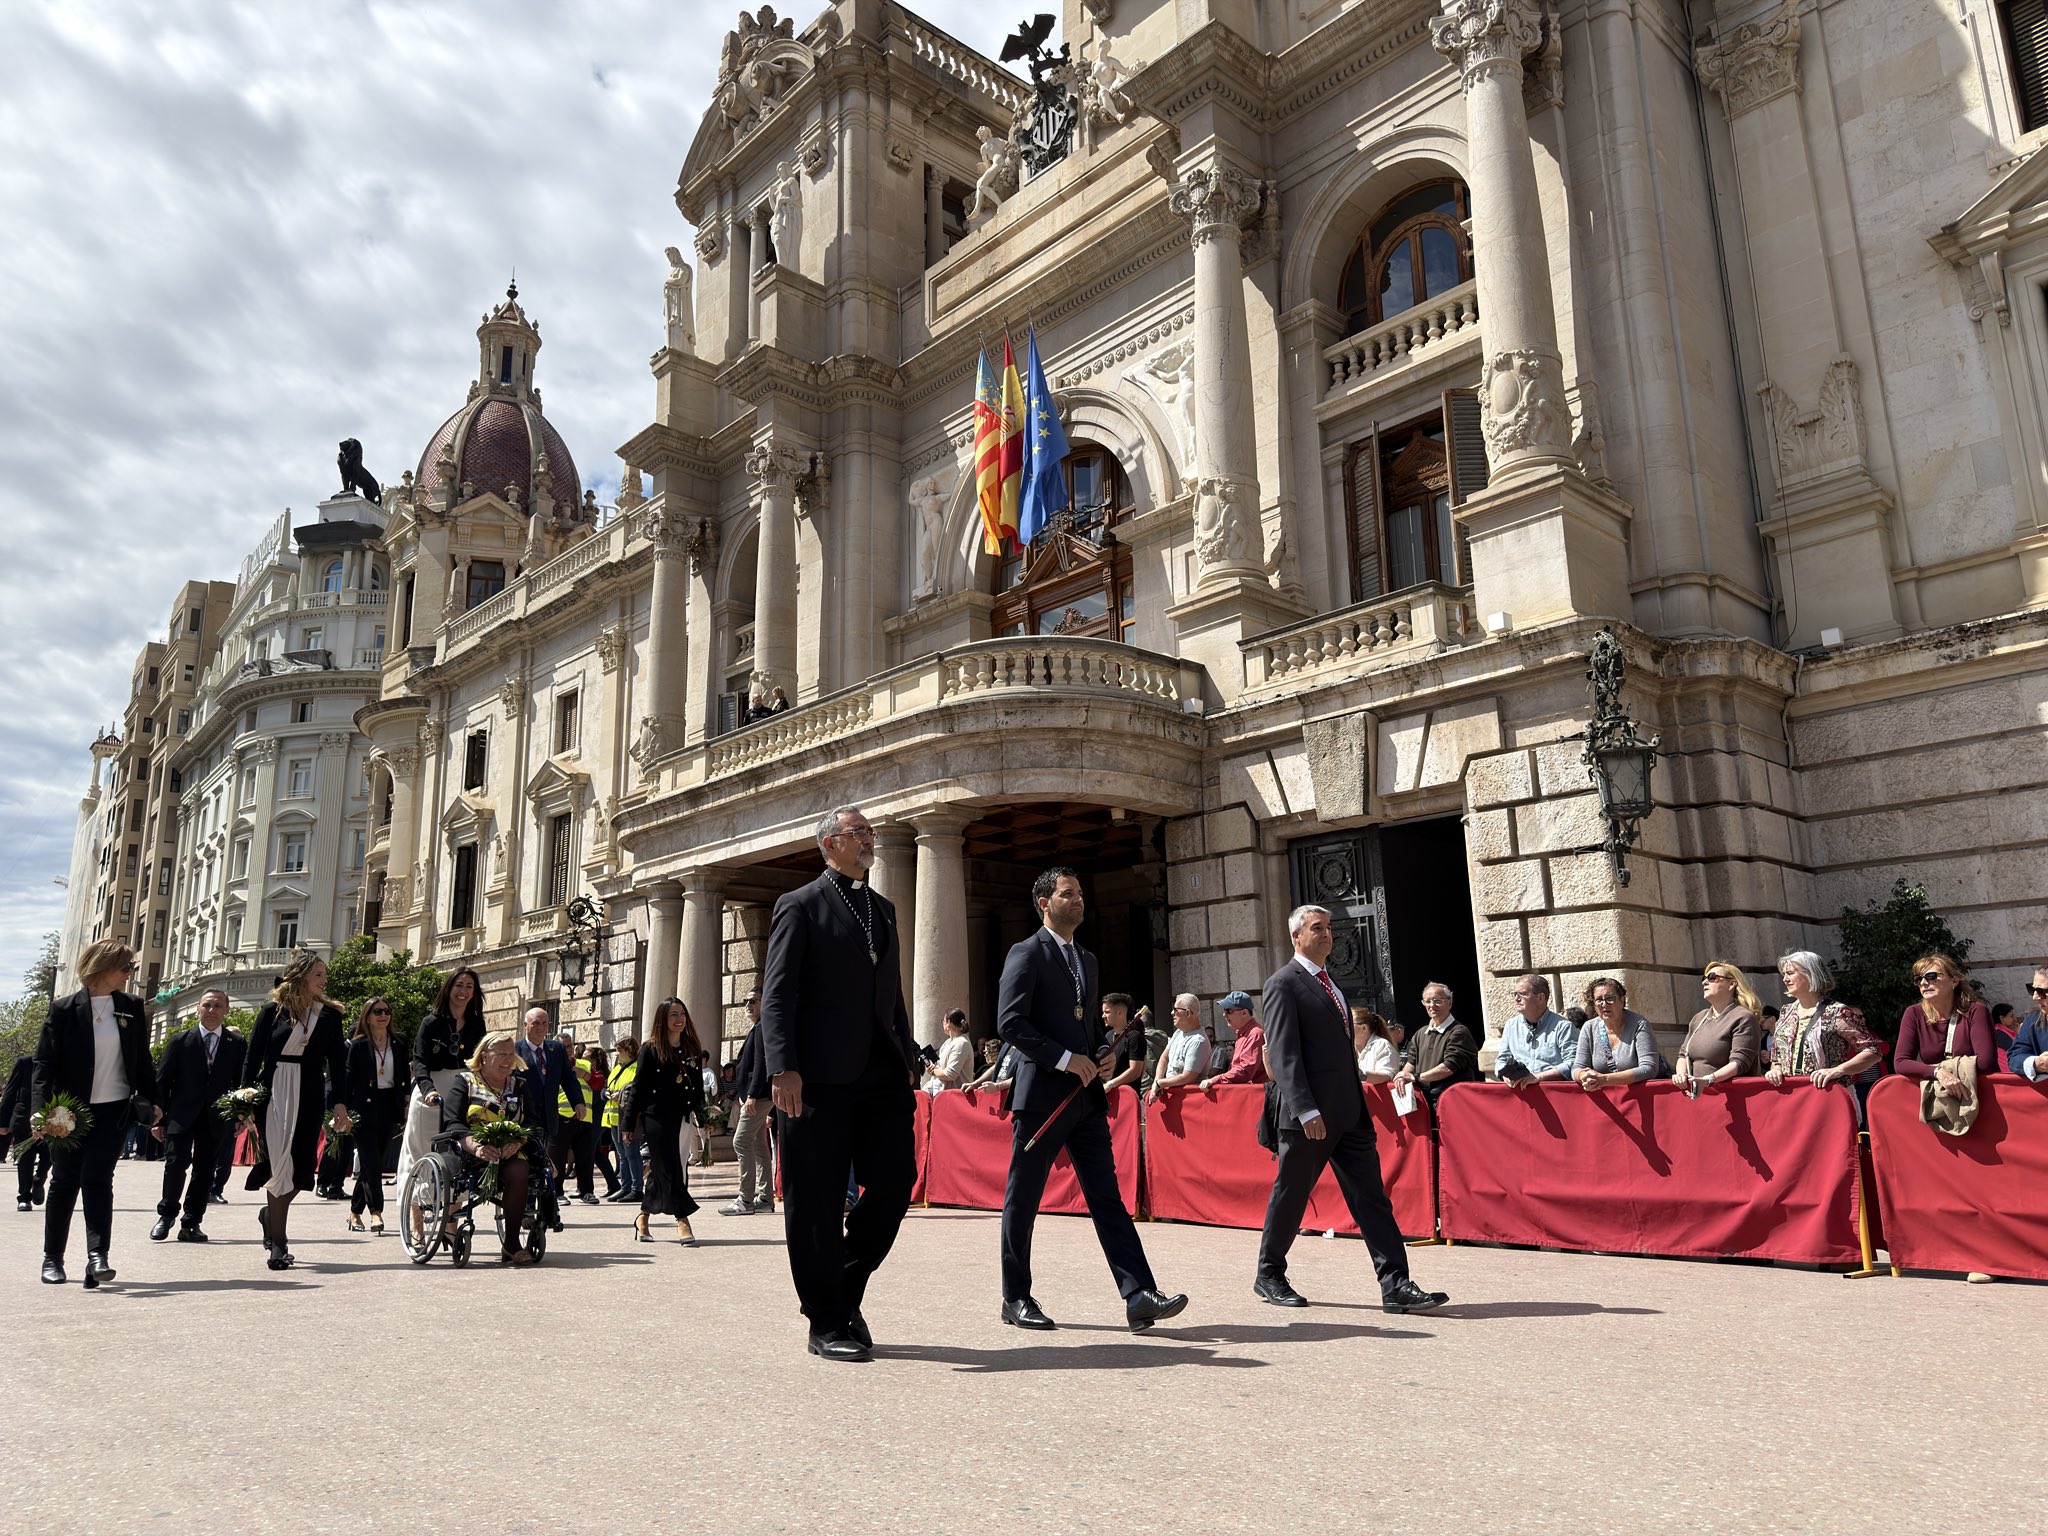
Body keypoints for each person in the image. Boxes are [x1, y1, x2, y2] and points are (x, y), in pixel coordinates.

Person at [760, 805, 921, 1362]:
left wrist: (905, 1053)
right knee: (816, 1200)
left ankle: (844, 1286)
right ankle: (825, 1320)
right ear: (830, 843)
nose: (869, 840)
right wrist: (782, 1067)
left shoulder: (884, 908)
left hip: (880, 1073)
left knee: (897, 1182)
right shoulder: (799, 904)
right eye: (858, 833)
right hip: (815, 1078)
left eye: (870, 832)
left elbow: (892, 993)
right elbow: (778, 993)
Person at [995, 866, 1186, 1333]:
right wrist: (1065, 1060)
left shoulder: (1088, 960)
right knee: (1024, 1199)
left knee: (1106, 1197)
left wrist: (1102, 1052)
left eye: (1080, 892)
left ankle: (1138, 1295)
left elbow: (1085, 1026)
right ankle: (1015, 1297)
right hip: (1041, 1099)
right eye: (1068, 893)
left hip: (1085, 1099)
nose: (1078, 899)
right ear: (1044, 903)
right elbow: (1011, 1023)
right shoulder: (1026, 953)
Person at [1254, 905, 1448, 1314]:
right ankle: (1269, 1273)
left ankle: (1395, 1285)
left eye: (1329, 927)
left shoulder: (1332, 985)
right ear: (1296, 937)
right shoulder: (1283, 983)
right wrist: (1305, 1109)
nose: (1326, 934)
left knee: (1371, 1197)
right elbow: (1284, 1053)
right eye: (1317, 928)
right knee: (1291, 1195)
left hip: (1349, 1113)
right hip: (1309, 1117)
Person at [32, 939, 162, 1286]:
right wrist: (40, 1111)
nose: (130, 974)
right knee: (64, 1182)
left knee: (99, 1180)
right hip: (67, 1110)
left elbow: (141, 1058)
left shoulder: (131, 1007)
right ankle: (52, 1258)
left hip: (114, 1110)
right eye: (125, 967)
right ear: (102, 968)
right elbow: (44, 1064)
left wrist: (154, 1098)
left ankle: (97, 1256)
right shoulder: (64, 1009)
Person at [242, 952, 351, 1271]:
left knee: (300, 1169)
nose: (324, 980)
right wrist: (244, 1098)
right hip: (274, 1091)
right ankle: (279, 1244)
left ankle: (270, 1215)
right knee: (278, 1165)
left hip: (310, 1092)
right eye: (319, 974)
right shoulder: (272, 1011)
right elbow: (252, 1057)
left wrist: (340, 1103)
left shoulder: (330, 1016)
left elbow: (337, 1065)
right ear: (301, 976)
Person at [439, 1029, 549, 1265]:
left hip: (511, 1150)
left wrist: (518, 1140)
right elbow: (453, 1122)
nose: (508, 1059)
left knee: (519, 1170)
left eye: (511, 1054)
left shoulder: (519, 1085)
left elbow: (532, 1121)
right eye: (502, 1054)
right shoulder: (465, 1082)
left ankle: (511, 1244)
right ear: (485, 1055)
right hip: (472, 1154)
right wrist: (474, 1145)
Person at [150, 987, 245, 1243]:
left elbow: (240, 1082)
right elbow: (162, 1082)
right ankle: (166, 1215)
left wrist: (239, 1116)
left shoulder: (236, 1043)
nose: (211, 1010)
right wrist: (158, 1119)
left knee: (205, 1170)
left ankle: (191, 1222)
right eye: (207, 1005)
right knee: (175, 1163)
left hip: (216, 1117)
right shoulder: (180, 1040)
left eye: (217, 1006)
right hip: (181, 1115)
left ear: (227, 1010)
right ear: (197, 1009)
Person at [395, 966, 486, 1227]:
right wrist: (428, 1090)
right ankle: (416, 1225)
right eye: (459, 985)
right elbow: (420, 1062)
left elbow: (480, 1060)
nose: (463, 991)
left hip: (462, 1090)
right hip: (431, 1091)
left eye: (469, 986)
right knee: (420, 1155)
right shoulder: (431, 1022)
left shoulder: (477, 1023)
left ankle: (450, 1225)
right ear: (448, 988)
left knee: (459, 1158)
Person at [623, 997, 707, 1246]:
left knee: (662, 1168)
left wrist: (703, 1117)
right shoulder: (650, 1049)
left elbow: (697, 1088)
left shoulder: (692, 1048)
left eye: (682, 1013)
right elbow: (638, 1088)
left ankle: (643, 1217)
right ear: (663, 1018)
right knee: (671, 1167)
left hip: (681, 1117)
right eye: (673, 1014)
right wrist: (628, 1123)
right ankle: (682, 1219)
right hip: (656, 1117)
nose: (680, 1019)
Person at [1767, 950, 1884, 1101]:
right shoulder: (1785, 1012)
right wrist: (1775, 1069)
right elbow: (1777, 1057)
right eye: (1784, 974)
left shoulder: (1837, 1012)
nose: (1785, 979)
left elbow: (1873, 1051)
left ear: (1810, 974)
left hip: (1829, 1097)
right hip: (1793, 1098)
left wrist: (1838, 1070)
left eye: (1790, 973)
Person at [1894, 952, 1997, 1101]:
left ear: (1954, 981)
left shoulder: (1976, 1011)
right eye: (1918, 979)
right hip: (1941, 1100)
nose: (1924, 983)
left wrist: (1941, 1070)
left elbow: (1985, 1063)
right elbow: (1901, 1063)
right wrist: (1937, 1072)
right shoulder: (1913, 1013)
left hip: (1981, 1096)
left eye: (1931, 976)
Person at [342, 997, 404, 1234]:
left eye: (387, 1011)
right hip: (364, 1107)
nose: (383, 1015)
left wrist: (406, 1104)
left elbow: (402, 1076)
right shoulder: (358, 1045)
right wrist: (343, 1110)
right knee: (372, 1162)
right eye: (377, 1011)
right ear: (367, 1017)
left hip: (389, 1105)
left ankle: (354, 1212)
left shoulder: (399, 1042)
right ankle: (376, 1211)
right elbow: (348, 1080)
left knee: (372, 1162)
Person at [517, 1009, 582, 1230]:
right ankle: (527, 1209)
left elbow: (568, 1078)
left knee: (546, 1165)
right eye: (536, 1023)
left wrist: (578, 1102)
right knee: (527, 1163)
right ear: (525, 1025)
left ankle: (547, 1211)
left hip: (549, 1118)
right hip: (524, 1118)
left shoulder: (555, 1049)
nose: (541, 1027)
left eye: (545, 1023)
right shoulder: (516, 1050)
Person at [724, 989, 775, 1215]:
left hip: (759, 1095)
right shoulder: (757, 1027)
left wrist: (752, 1095)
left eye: (752, 1000)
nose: (747, 1005)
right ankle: (765, 1198)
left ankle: (745, 1199)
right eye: (745, 1001)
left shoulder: (763, 1027)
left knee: (741, 1141)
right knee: (758, 1145)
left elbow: (761, 1063)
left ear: (764, 1002)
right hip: (756, 1095)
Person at [1674, 962, 1761, 1094]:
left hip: (1731, 1097)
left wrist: (1708, 1080)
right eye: (1704, 978)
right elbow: (1682, 1055)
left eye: (1712, 977)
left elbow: (1739, 1063)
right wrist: (1681, 1075)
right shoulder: (1698, 1018)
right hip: (1698, 1096)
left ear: (1731, 984)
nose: (1704, 982)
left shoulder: (1743, 1017)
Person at [1395, 982, 1479, 1108]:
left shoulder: (1459, 1032)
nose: (1432, 1005)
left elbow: (1449, 1067)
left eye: (1437, 1001)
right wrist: (1402, 1077)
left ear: (1449, 1002)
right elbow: (1411, 1062)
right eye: (1427, 1002)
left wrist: (1416, 1077)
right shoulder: (1420, 1033)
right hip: (1423, 1100)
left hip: (1451, 1101)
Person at [1571, 977, 1661, 1089]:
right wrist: (1583, 1076)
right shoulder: (1588, 1027)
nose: (1604, 1004)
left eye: (1610, 998)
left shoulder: (1639, 1024)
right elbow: (1577, 1067)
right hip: (1603, 1096)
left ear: (1622, 1000)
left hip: (1638, 1095)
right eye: (1599, 1000)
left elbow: (1649, 1068)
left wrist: (1605, 1080)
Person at [1493, 975, 1577, 1088]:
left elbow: (1573, 1063)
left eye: (1522, 994)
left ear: (1540, 998)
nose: (1516, 999)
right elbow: (1501, 1060)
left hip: (1551, 1092)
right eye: (1515, 994)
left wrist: (1539, 1077)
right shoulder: (1511, 1026)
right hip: (1520, 1092)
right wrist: (1505, 1075)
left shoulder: (1563, 1026)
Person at [554, 1038, 603, 1205]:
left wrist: (585, 1075)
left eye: (569, 1046)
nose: (566, 1049)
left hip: (584, 1118)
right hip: (561, 1116)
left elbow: (599, 1083)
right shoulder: (552, 1064)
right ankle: (557, 1193)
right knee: (558, 1158)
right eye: (562, 1047)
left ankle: (586, 1192)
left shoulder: (584, 1064)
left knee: (585, 1157)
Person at [4, 1053, 50, 1212]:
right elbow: (10, 1092)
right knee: (25, 1160)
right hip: (23, 1121)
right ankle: (24, 1197)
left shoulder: (60, 1063)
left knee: (49, 1157)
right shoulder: (25, 1063)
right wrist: (3, 1121)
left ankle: (38, 1181)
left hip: (52, 1121)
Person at [1147, 994, 1211, 1102]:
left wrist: (1160, 1083)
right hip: (1173, 1099)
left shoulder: (1199, 1041)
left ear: (1187, 1013)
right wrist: (1157, 1080)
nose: (1172, 1013)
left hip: (1190, 1101)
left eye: (1176, 1010)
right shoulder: (1178, 1032)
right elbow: (1164, 1058)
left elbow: (1188, 1077)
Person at [1200, 993, 1269, 1089]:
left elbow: (1245, 1071)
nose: (1224, 1014)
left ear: (1244, 1013)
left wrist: (1216, 1079)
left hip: (1258, 1094)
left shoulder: (1255, 1034)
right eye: (1224, 1011)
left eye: (1229, 1011)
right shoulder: (1244, 1033)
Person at [603, 1038, 643, 1202]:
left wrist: (619, 1095)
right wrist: (606, 1093)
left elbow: (636, 1090)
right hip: (613, 1118)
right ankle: (625, 1187)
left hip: (628, 1118)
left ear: (629, 1050)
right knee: (623, 1155)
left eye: (619, 1051)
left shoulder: (637, 1067)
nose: (617, 1054)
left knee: (632, 1154)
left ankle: (636, 1189)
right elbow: (607, 1086)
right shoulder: (617, 1068)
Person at [585, 1045, 620, 1197]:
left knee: (589, 1151)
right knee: (596, 1153)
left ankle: (587, 1188)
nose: (583, 1059)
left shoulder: (599, 1075)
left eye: (586, 1057)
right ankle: (613, 1184)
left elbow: (596, 1098)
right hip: (594, 1118)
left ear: (594, 1060)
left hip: (597, 1119)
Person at [1099, 993, 1147, 1093]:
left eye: (1107, 1012)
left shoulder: (1135, 1037)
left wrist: (1110, 1084)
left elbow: (1135, 1071)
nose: (1103, 1016)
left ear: (1120, 1013)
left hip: (1127, 1096)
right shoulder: (1108, 1035)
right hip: (1109, 1095)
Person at [2009, 965, 2048, 1080]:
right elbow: (2014, 1057)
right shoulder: (2032, 1019)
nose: (2035, 997)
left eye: (2041, 991)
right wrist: (2036, 1063)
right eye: (2032, 989)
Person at [927, 1009, 974, 1093]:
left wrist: (934, 1071)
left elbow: (950, 1075)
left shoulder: (961, 1043)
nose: (942, 1024)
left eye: (943, 1021)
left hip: (954, 1096)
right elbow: (942, 1068)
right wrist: (933, 1067)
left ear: (948, 1022)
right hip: (941, 1093)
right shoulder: (948, 1042)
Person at [1350, 1009, 1400, 1084]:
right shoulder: (1349, 1048)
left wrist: (1360, 1074)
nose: (1345, 1027)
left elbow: (1386, 1076)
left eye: (1349, 1023)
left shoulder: (1382, 1045)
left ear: (1364, 1028)